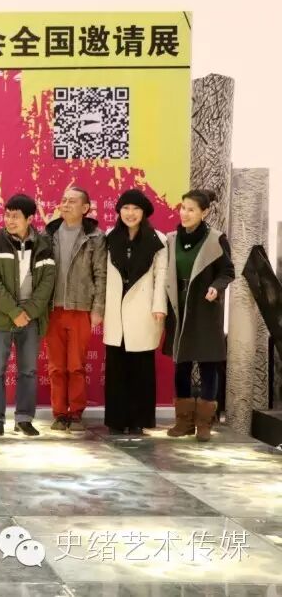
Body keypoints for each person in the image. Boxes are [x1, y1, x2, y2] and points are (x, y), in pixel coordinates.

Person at [0, 193, 56, 437]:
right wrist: (14, 312)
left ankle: (24, 418)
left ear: (30, 219)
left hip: (31, 317)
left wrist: (28, 312)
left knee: (28, 371)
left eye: (15, 216)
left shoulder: (44, 245)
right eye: (7, 215)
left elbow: (47, 284)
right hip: (2, 315)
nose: (9, 220)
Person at [165, 189, 235, 442]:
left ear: (204, 212)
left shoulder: (216, 239)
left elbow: (228, 271)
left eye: (191, 209)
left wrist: (216, 287)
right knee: (181, 365)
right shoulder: (171, 239)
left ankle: (204, 423)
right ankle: (184, 422)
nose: (185, 213)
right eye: (183, 208)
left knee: (208, 365)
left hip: (205, 308)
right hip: (179, 308)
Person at [102, 189, 167, 436]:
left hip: (144, 309)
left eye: (136, 209)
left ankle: (139, 419)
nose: (130, 213)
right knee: (116, 367)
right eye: (126, 208)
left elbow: (161, 277)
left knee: (141, 367)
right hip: (116, 310)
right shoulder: (109, 237)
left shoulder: (157, 239)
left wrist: (159, 306)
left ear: (144, 213)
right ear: (119, 211)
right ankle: (117, 420)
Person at [43, 187, 107, 432]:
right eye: (63, 200)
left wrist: (98, 308)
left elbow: (100, 274)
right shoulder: (48, 234)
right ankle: (60, 413)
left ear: (85, 208)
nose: (66, 204)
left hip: (81, 308)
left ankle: (76, 413)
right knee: (56, 366)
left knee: (76, 365)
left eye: (72, 201)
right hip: (52, 308)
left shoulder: (95, 237)